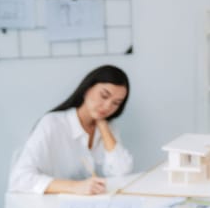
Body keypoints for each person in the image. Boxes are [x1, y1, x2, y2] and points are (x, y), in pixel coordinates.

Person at [8, 65, 134, 195]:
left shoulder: (108, 129)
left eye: (116, 103)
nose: (108, 106)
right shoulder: (52, 123)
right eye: (104, 96)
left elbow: (122, 172)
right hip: (50, 205)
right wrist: (75, 187)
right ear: (87, 89)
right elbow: (19, 178)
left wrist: (102, 125)